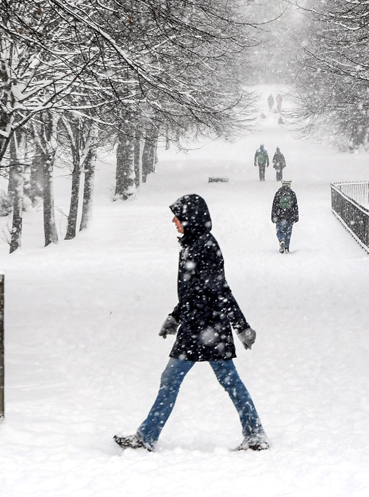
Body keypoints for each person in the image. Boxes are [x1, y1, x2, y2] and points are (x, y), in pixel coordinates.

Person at [114, 194, 268, 452]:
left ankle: (254, 435)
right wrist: (175, 317)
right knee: (180, 379)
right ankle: (147, 436)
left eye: (178, 215)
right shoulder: (191, 244)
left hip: (210, 328)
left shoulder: (204, 247)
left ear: (191, 218)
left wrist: (241, 327)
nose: (174, 220)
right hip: (195, 328)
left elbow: (220, 290)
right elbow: (193, 292)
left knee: (222, 380)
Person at [271, 181, 299, 253]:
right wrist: (296, 216)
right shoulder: (292, 193)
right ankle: (286, 248)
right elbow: (295, 206)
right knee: (288, 232)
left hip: (280, 215)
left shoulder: (278, 193)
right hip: (289, 216)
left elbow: (274, 205)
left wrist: (274, 216)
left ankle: (281, 240)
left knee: (280, 231)